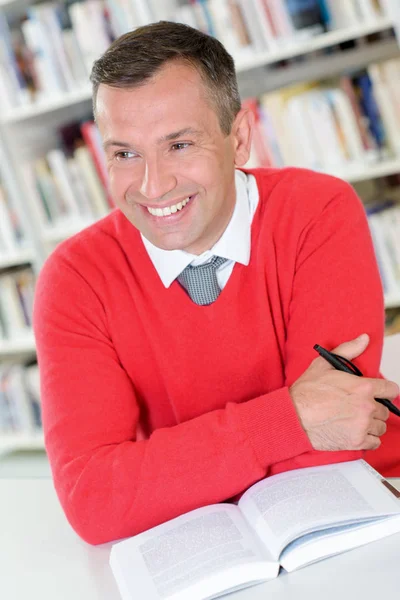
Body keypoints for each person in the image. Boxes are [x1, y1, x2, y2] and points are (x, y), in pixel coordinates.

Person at [33, 21, 400, 546]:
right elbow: (94, 499)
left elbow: (337, 440)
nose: (153, 185)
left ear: (240, 139)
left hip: (367, 506)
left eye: (179, 144)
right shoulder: (74, 280)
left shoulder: (318, 212)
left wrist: (168, 474)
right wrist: (289, 417)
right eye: (125, 154)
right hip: (203, 546)